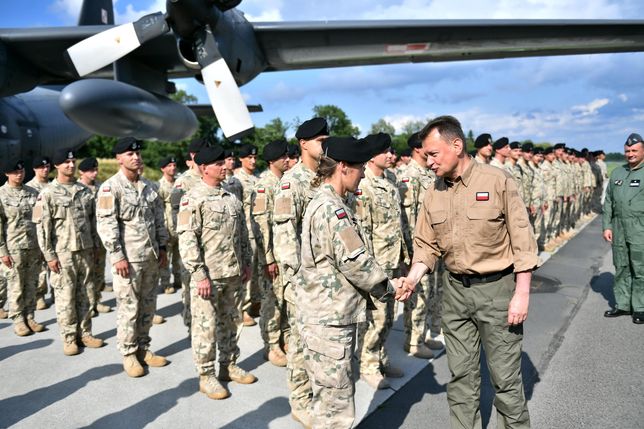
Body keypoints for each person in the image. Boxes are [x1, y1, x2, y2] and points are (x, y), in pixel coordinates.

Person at [401, 115, 538, 429]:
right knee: (461, 377)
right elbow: (425, 245)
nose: (428, 161)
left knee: (505, 380)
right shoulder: (432, 192)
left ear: (457, 145)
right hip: (455, 294)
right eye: (424, 155)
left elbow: (523, 240)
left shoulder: (497, 181)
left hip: (497, 292)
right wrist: (412, 278)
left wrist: (522, 292)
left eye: (433, 154)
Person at [296, 136, 407, 429]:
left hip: (327, 318)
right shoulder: (333, 209)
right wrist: (391, 288)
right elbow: (356, 262)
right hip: (328, 322)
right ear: (343, 167)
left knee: (330, 401)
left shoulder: (328, 201)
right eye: (359, 168)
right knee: (335, 411)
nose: (362, 175)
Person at [177, 145, 256, 400]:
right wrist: (199, 274)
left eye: (225, 162)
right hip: (208, 277)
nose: (225, 166)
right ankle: (206, 375)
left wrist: (245, 263)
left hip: (232, 273)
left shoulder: (230, 197)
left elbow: (242, 234)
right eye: (219, 163)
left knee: (231, 322)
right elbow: (187, 239)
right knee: (206, 326)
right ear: (203, 168)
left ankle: (228, 364)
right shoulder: (193, 198)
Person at [96, 138, 169, 377]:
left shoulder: (149, 187)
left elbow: (159, 219)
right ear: (118, 158)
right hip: (128, 260)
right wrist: (117, 256)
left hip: (150, 257)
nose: (135, 157)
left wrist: (163, 248)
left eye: (137, 153)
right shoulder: (110, 187)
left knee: (148, 306)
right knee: (129, 308)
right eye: (129, 154)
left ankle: (143, 349)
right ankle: (128, 354)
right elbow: (106, 224)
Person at [272, 117, 328, 427]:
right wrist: (297, 279)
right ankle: (300, 400)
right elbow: (284, 236)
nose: (325, 145)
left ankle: (316, 392)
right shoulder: (290, 182)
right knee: (299, 342)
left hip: (326, 280)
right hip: (302, 280)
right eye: (321, 140)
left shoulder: (327, 176)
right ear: (304, 144)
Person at [35, 149, 104, 355]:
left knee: (86, 294)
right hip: (62, 254)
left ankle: (85, 333)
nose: (71, 165)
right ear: (56, 165)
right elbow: (42, 228)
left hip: (85, 251)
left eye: (73, 161)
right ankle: (69, 337)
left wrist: (94, 247)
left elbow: (92, 222)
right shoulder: (46, 193)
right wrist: (49, 256)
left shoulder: (83, 191)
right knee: (65, 297)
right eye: (66, 162)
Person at [353, 133, 409, 389]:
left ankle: (381, 356)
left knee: (388, 316)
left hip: (394, 259)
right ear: (372, 155)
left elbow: (398, 223)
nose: (391, 155)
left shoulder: (390, 180)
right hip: (377, 265)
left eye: (392, 151)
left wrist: (406, 255)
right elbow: (363, 231)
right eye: (385, 151)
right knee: (376, 317)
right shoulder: (363, 186)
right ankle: (368, 364)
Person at [397, 132, 438, 359]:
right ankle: (412, 342)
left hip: (430, 245)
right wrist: (410, 251)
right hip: (416, 248)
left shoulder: (428, 174)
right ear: (417, 149)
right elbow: (406, 218)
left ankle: (420, 336)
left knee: (428, 295)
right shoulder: (408, 175)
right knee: (418, 296)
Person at [251, 140, 289, 367]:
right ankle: (271, 345)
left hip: (286, 254)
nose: (287, 159)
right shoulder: (264, 185)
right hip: (272, 256)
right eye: (283, 157)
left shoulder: (284, 182)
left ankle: (284, 338)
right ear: (273, 160)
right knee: (271, 301)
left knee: (285, 300)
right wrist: (268, 258)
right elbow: (261, 225)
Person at [602, 133, 644, 324]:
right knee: (621, 267)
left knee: (640, 268)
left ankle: (640, 307)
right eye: (627, 151)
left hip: (639, 228)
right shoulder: (618, 173)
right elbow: (608, 201)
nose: (630, 154)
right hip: (618, 227)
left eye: (634, 150)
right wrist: (607, 225)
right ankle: (623, 304)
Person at [0, 159, 44, 337]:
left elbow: (39, 220)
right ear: (6, 174)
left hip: (33, 246)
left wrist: (43, 246)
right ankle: (18, 319)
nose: (19, 174)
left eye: (21, 171)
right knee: (16, 285)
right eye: (14, 172)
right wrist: (2, 252)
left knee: (32, 283)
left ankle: (30, 316)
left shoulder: (33, 193)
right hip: (13, 248)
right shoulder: (1, 194)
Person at [78, 157, 112, 315]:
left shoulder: (101, 188)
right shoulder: (77, 189)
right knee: (87, 273)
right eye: (91, 170)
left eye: (96, 169)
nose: (95, 173)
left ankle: (96, 300)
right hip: (85, 239)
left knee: (99, 271)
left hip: (100, 238)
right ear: (82, 172)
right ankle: (88, 304)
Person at [234, 143, 262, 326]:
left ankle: (255, 303)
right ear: (241, 159)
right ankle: (242, 309)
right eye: (249, 158)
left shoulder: (258, 179)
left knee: (258, 270)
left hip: (259, 230)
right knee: (246, 271)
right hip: (246, 232)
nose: (253, 161)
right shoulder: (236, 180)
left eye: (254, 157)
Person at [26, 156, 51, 310]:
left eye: (47, 167)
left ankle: (56, 293)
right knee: (40, 267)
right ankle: (39, 295)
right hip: (37, 231)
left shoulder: (53, 185)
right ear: (35, 169)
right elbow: (35, 215)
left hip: (55, 231)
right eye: (42, 167)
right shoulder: (30, 188)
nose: (45, 169)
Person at [156, 156, 181, 295]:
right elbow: (158, 209)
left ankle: (178, 279)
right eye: (169, 166)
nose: (173, 168)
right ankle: (165, 283)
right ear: (163, 169)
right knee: (166, 256)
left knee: (179, 256)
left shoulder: (179, 183)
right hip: (166, 226)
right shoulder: (159, 186)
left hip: (179, 224)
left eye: (174, 165)